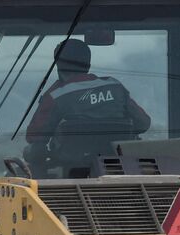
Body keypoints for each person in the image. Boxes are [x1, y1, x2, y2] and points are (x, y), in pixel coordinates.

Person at [25, 39, 151, 173]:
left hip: (70, 174)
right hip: (120, 171)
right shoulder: (115, 86)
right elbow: (143, 123)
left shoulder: (56, 95)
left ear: (59, 65)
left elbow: (34, 138)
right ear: (88, 64)